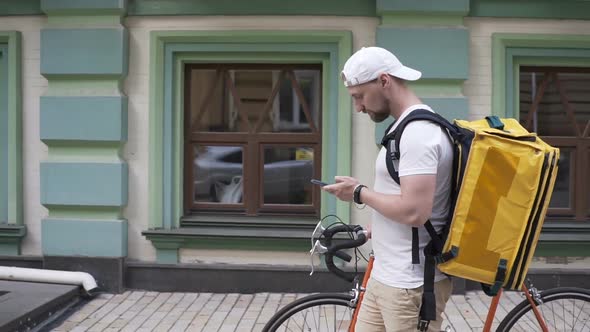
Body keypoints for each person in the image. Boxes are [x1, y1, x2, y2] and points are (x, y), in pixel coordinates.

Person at [323, 46, 453, 332]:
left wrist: (359, 193)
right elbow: (401, 197)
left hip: (409, 285)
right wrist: (376, 227)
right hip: (385, 275)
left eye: (359, 97)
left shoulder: (419, 133)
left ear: (384, 81)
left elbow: (415, 211)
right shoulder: (403, 128)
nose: (358, 107)